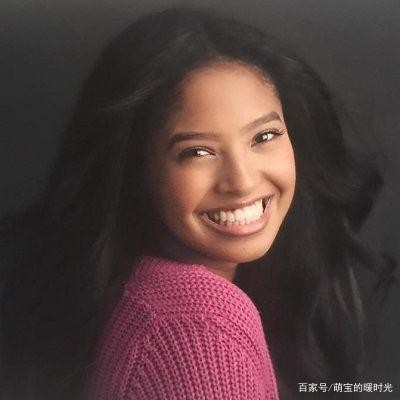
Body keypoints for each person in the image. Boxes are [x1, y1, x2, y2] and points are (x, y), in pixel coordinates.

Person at [0, 7, 397, 400]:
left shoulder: (140, 298)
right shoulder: (201, 331)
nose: (242, 181)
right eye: (197, 152)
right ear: (137, 171)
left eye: (263, 137)